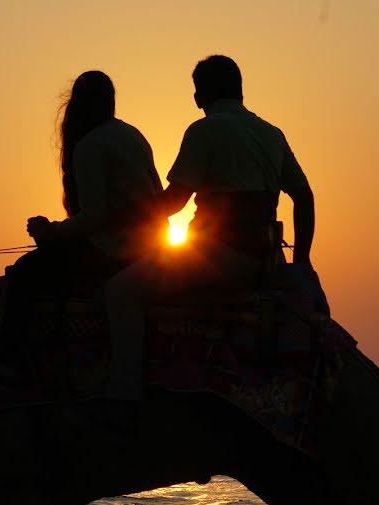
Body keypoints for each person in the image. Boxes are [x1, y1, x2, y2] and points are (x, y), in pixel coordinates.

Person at [106, 54, 317, 385]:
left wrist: (120, 217)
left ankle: (123, 392)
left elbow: (174, 202)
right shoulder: (271, 133)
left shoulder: (204, 130)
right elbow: (304, 197)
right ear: (240, 90)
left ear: (199, 95)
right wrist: (301, 261)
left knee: (121, 290)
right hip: (267, 261)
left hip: (219, 257)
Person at [0, 70, 166, 379]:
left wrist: (52, 231)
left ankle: (7, 362)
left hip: (116, 250)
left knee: (26, 271)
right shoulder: (132, 134)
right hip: (151, 246)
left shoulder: (91, 145)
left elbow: (95, 217)